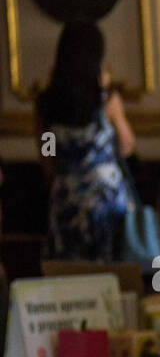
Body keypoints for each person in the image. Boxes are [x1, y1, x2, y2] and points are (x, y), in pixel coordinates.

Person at [34, 21, 136, 262]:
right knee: (113, 275)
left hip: (67, 198)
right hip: (108, 198)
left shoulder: (46, 104)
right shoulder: (107, 100)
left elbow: (47, 156)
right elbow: (126, 145)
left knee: (72, 278)